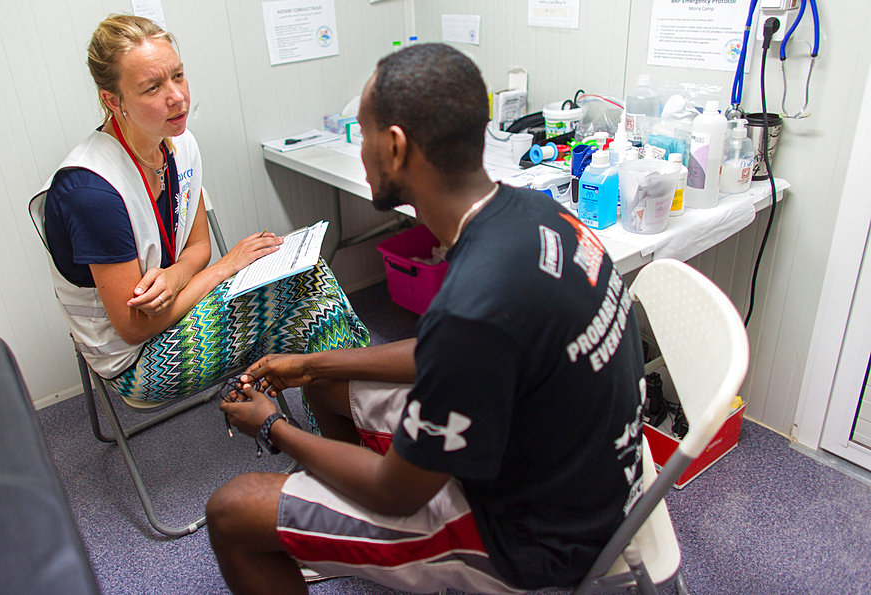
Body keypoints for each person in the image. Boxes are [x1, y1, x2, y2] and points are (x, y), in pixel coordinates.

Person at [209, 43, 647, 594]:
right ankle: (332, 525)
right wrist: (309, 364)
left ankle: (333, 526)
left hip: (534, 541)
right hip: (587, 473)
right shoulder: (535, 210)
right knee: (327, 386)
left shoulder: (475, 307)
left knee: (232, 511)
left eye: (363, 133)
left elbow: (398, 492)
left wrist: (274, 426)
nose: (360, 149)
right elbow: (449, 355)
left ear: (394, 147)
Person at [29, 14, 368, 404]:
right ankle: (360, 428)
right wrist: (227, 266)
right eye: (152, 87)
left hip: (180, 304)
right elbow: (135, 326)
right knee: (307, 299)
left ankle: (349, 426)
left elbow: (198, 249)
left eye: (178, 75)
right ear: (112, 100)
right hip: (138, 361)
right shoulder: (90, 192)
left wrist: (175, 278)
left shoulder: (178, 142)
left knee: (309, 298)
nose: (176, 96)